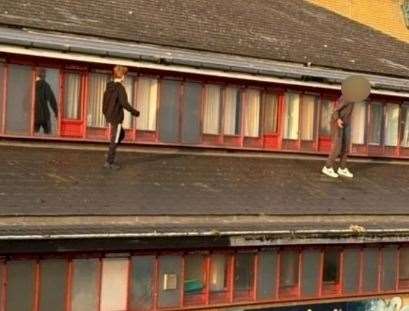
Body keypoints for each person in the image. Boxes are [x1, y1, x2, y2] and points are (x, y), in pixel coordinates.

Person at [102, 65, 140, 170]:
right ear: (122, 76)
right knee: (115, 139)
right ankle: (109, 162)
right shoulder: (120, 88)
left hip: (110, 116)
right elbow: (125, 103)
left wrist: (105, 114)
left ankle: (111, 151)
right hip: (116, 118)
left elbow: (104, 102)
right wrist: (135, 112)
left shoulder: (109, 86)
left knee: (121, 134)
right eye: (125, 75)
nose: (125, 78)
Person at [322, 96, 354, 179]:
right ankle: (327, 167)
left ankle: (342, 168)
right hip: (337, 122)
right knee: (337, 147)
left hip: (346, 124)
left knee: (346, 146)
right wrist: (338, 119)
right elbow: (335, 109)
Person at [34, 68, 58, 134]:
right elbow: (52, 100)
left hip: (35, 116)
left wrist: (28, 112)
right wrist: (56, 112)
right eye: (45, 74)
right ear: (43, 75)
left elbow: (25, 101)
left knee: (32, 135)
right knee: (48, 135)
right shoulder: (46, 85)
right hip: (45, 115)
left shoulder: (32, 86)